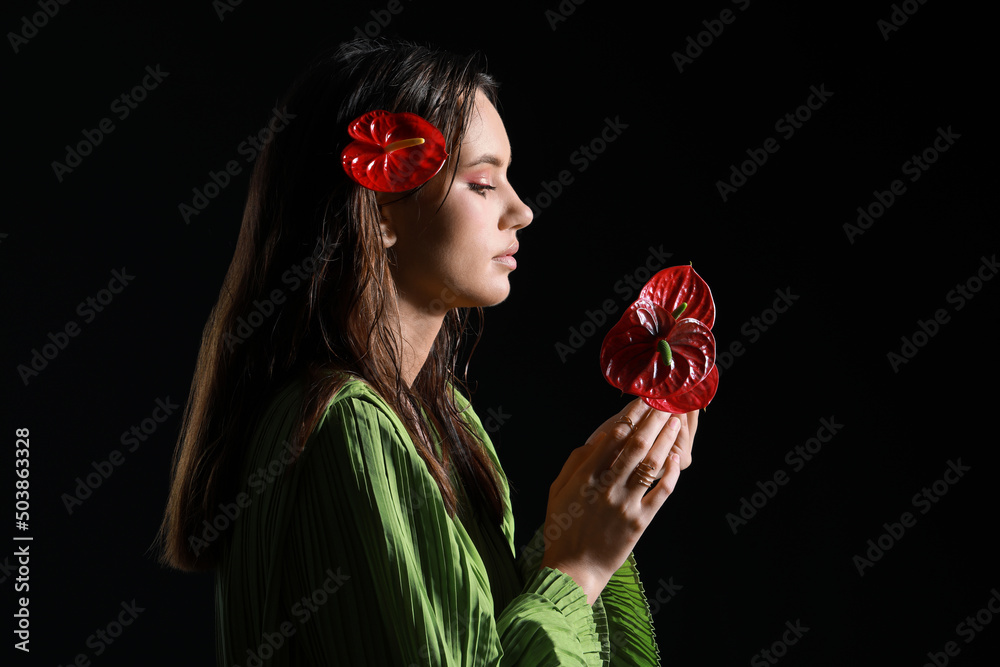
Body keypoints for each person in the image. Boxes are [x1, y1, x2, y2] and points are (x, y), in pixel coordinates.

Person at [157, 37, 698, 666]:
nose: (520, 211)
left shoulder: (446, 421)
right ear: (382, 202)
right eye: (482, 182)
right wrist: (577, 567)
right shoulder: (345, 425)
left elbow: (481, 640)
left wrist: (593, 523)